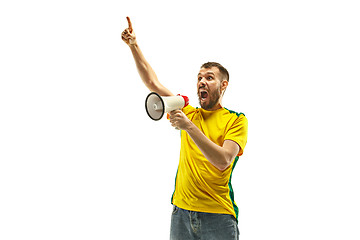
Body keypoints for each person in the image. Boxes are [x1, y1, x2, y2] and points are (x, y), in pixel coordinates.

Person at [122, 17, 248, 240]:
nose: (202, 82)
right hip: (180, 213)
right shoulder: (189, 111)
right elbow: (153, 83)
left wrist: (188, 127)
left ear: (223, 85)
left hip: (218, 216)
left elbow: (222, 160)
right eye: (199, 77)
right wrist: (134, 45)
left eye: (209, 78)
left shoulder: (236, 120)